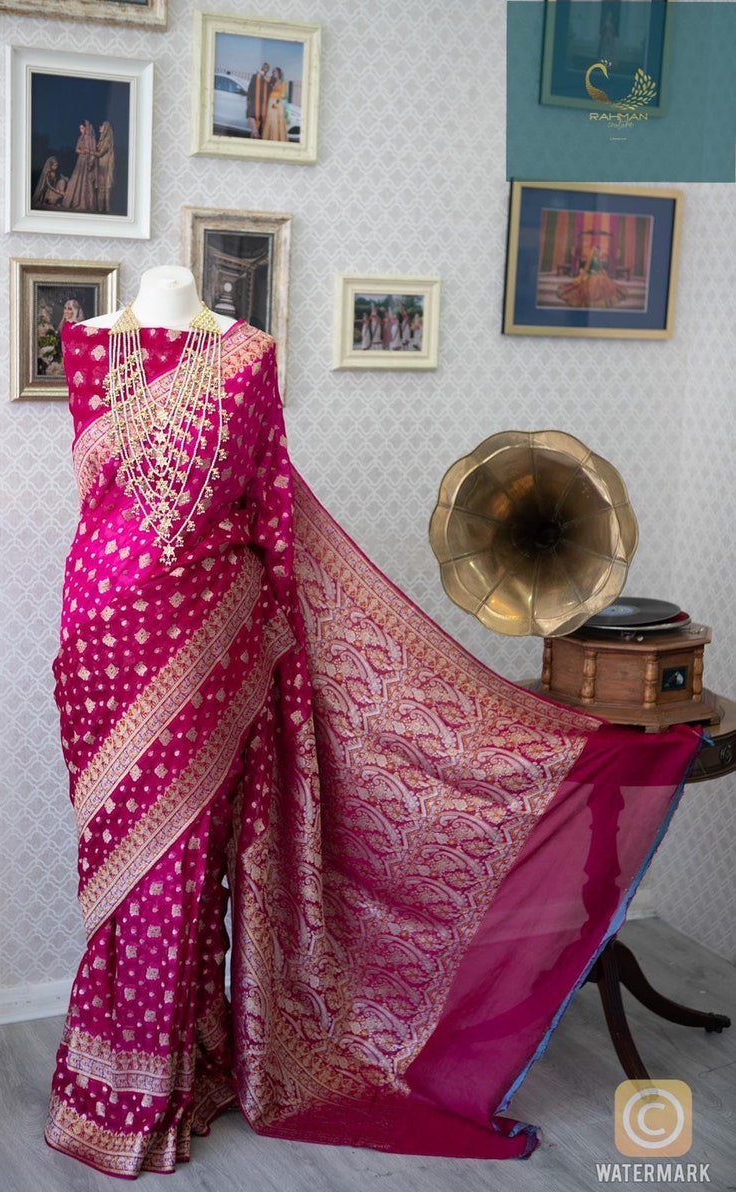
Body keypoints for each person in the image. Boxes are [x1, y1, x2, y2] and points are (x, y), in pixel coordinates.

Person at [45, 264, 701, 1178]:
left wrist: (292, 638)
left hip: (205, 642)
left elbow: (272, 506)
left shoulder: (246, 356)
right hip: (97, 642)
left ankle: (164, 1084)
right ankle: (115, 1078)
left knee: (185, 861)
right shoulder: (87, 343)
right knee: (122, 862)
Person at [62, 120, 97, 213]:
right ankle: (74, 201)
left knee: (86, 180)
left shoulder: (91, 139)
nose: (81, 130)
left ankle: (85, 203)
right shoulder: (80, 138)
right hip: (80, 161)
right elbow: (76, 149)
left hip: (87, 161)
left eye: (82, 128)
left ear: (86, 128)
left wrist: (88, 152)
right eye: (80, 128)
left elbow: (93, 152)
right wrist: (82, 151)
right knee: (76, 178)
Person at [94, 121, 115, 213]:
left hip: (105, 168)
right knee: (101, 188)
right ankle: (100, 209)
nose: (99, 128)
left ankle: (106, 209)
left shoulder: (107, 141)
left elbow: (100, 153)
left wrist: (89, 151)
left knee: (105, 188)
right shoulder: (101, 140)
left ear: (105, 128)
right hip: (101, 166)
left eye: (101, 126)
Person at [262, 67, 288, 141]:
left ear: (279, 73)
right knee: (270, 119)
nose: (273, 73)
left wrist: (276, 103)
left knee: (275, 120)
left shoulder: (282, 83)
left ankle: (276, 138)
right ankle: (268, 137)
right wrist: (261, 73)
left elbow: (282, 95)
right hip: (270, 101)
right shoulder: (272, 81)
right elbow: (265, 78)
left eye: (275, 71)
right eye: (273, 72)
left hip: (277, 102)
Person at [246, 62, 270, 138]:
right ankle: (255, 133)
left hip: (263, 103)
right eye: (264, 66)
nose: (265, 68)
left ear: (268, 70)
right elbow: (250, 88)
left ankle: (255, 135)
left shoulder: (268, 79)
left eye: (267, 67)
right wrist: (248, 99)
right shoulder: (255, 76)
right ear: (262, 67)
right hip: (254, 100)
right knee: (251, 116)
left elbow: (269, 91)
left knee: (259, 120)